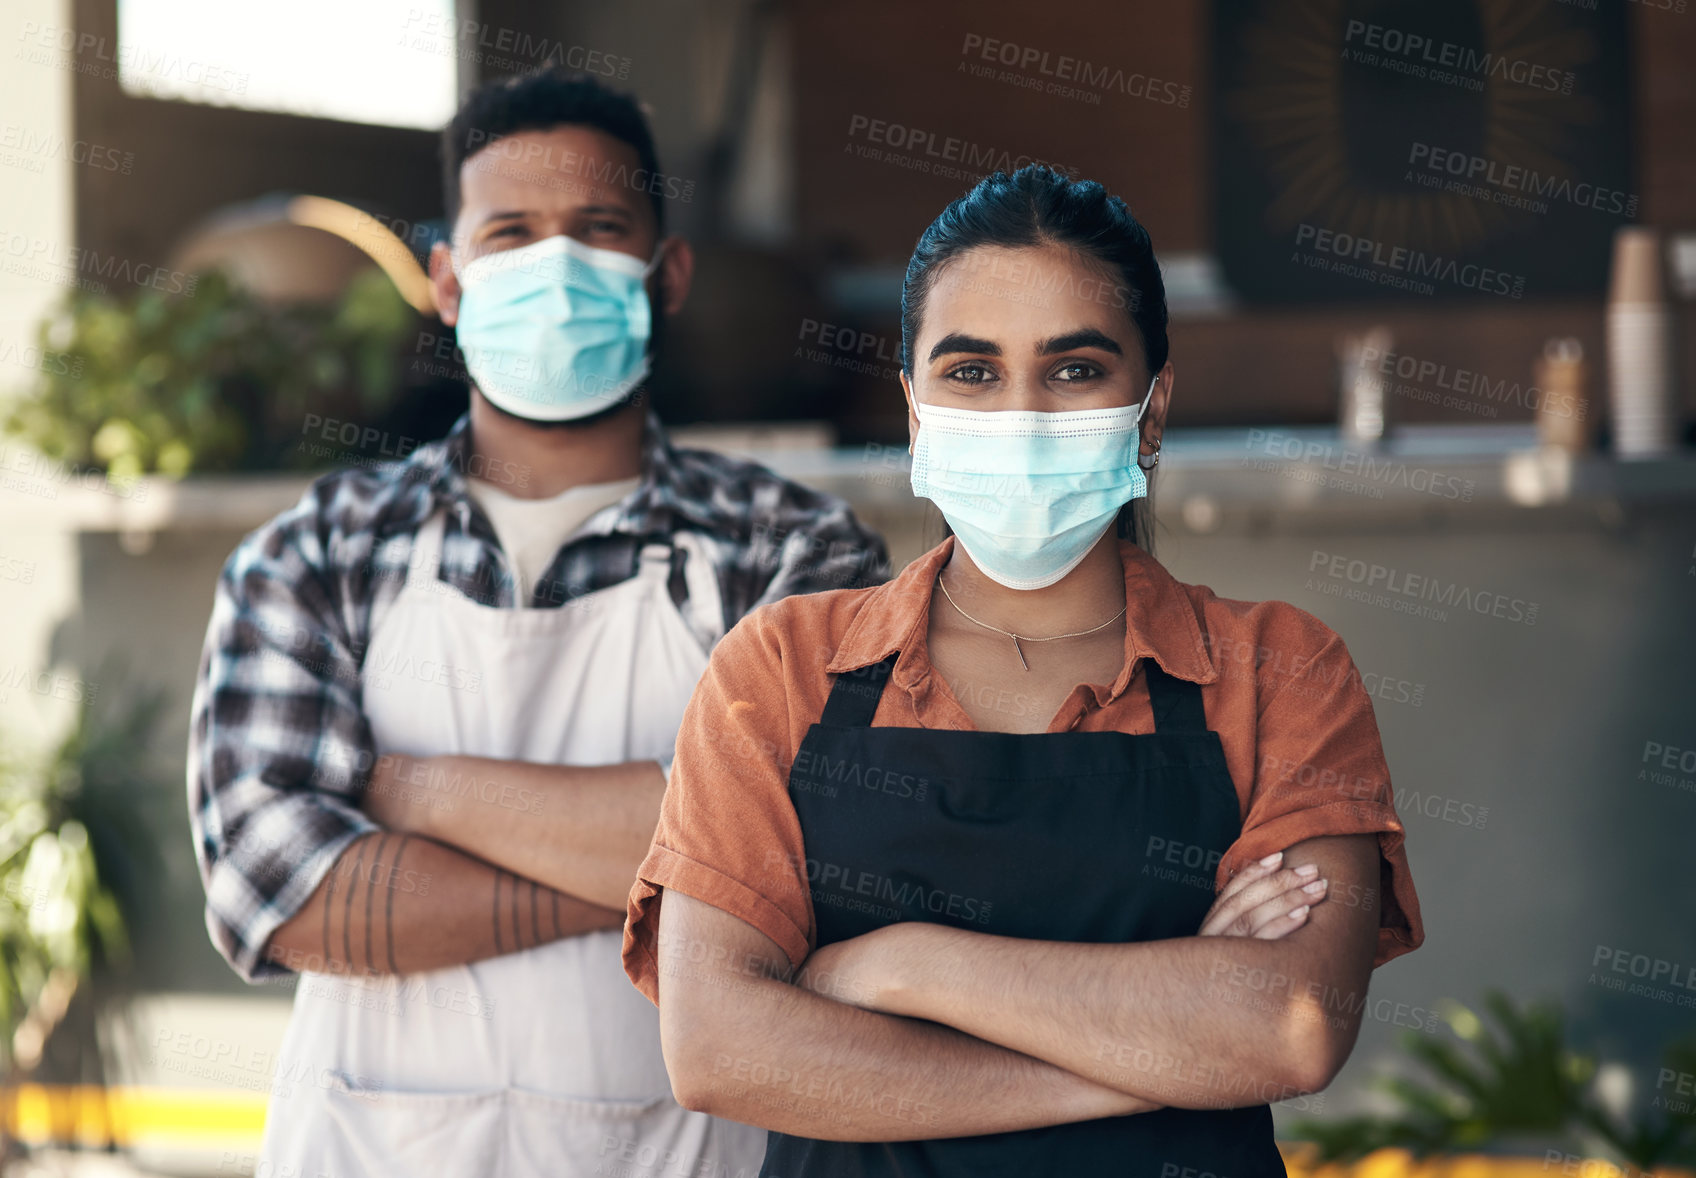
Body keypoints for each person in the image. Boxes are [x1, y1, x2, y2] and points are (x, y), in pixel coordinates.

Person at [622, 164, 1425, 1177]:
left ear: (1151, 404)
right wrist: (1162, 1050)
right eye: (972, 372)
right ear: (916, 410)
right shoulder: (781, 669)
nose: (1021, 413)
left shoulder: (1278, 668)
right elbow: (719, 1049)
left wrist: (894, 965)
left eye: (1074, 369)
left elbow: (1293, 1023)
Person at [186, 68, 888, 1176]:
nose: (553, 267)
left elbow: (818, 855)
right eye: (510, 232)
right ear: (449, 282)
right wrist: (674, 877)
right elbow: (279, 892)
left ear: (668, 276)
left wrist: (409, 785)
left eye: (598, 230)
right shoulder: (315, 553)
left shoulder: (794, 552)